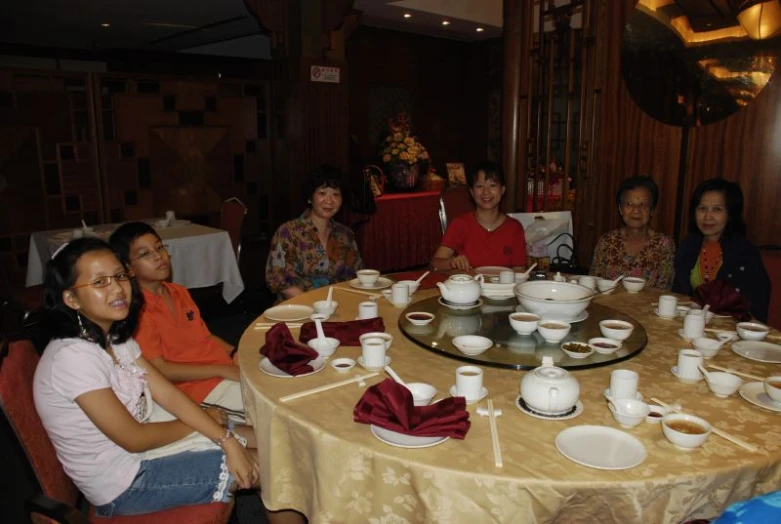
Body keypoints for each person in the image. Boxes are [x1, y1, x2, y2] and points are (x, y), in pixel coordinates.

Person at [33, 238, 303, 522]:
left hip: (147, 437)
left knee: (278, 443)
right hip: (124, 482)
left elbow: (167, 394)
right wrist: (223, 437)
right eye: (100, 282)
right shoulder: (73, 357)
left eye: (120, 276)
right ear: (71, 298)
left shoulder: (114, 337)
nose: (117, 288)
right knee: (281, 469)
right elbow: (133, 439)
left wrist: (214, 428)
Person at [109, 222, 246, 425]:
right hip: (195, 390)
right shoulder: (136, 310)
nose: (158, 256)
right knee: (273, 409)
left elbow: (205, 337)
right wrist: (221, 370)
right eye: (145, 254)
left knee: (280, 385)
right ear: (128, 269)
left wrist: (235, 354)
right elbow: (159, 370)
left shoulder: (178, 292)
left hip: (221, 372)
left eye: (160, 247)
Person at [673, 178, 770, 322]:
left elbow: (756, 307)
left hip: (732, 328)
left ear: (730, 214)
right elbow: (679, 296)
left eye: (717, 209)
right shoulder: (688, 246)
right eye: (702, 208)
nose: (707, 217)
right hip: (691, 323)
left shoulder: (746, 253)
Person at [266, 165, 364, 299]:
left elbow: (357, 275)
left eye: (335, 194)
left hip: (339, 304)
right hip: (299, 306)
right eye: (322, 193)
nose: (329, 201)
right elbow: (279, 279)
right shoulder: (289, 232)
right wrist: (314, 305)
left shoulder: (345, 234)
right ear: (309, 198)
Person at [430, 161, 527, 271]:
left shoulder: (514, 228)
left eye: (492, 185)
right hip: (469, 287)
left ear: (502, 190)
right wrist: (452, 262)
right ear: (472, 192)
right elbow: (435, 263)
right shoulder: (460, 223)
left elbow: (519, 271)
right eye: (480, 186)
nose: (486, 192)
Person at [590, 176, 675, 289]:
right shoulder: (607, 242)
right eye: (629, 204)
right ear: (620, 209)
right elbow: (594, 284)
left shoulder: (664, 245)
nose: (636, 210)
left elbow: (664, 289)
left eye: (643, 205)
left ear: (652, 210)